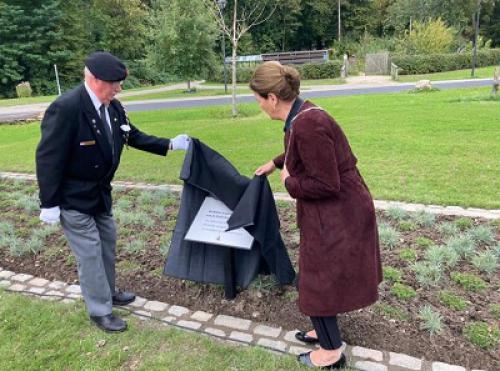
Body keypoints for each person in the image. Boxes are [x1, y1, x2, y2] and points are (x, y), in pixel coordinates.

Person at [36, 51, 190, 333]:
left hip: (100, 195)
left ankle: (107, 291)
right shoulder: (67, 107)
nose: (119, 89)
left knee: (107, 244)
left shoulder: (113, 107)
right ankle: (100, 310)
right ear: (94, 79)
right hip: (73, 198)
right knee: (90, 254)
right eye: (114, 83)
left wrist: (170, 144)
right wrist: (49, 203)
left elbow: (132, 135)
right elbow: (48, 157)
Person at [250, 61, 382, 369]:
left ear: (271, 98)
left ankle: (332, 351)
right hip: (334, 210)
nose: (257, 105)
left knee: (317, 278)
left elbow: (326, 182)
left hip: (341, 213)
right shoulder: (301, 115)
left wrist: (288, 182)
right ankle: (323, 332)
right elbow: (306, 152)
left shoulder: (309, 123)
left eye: (257, 98)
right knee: (318, 276)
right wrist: (277, 162)